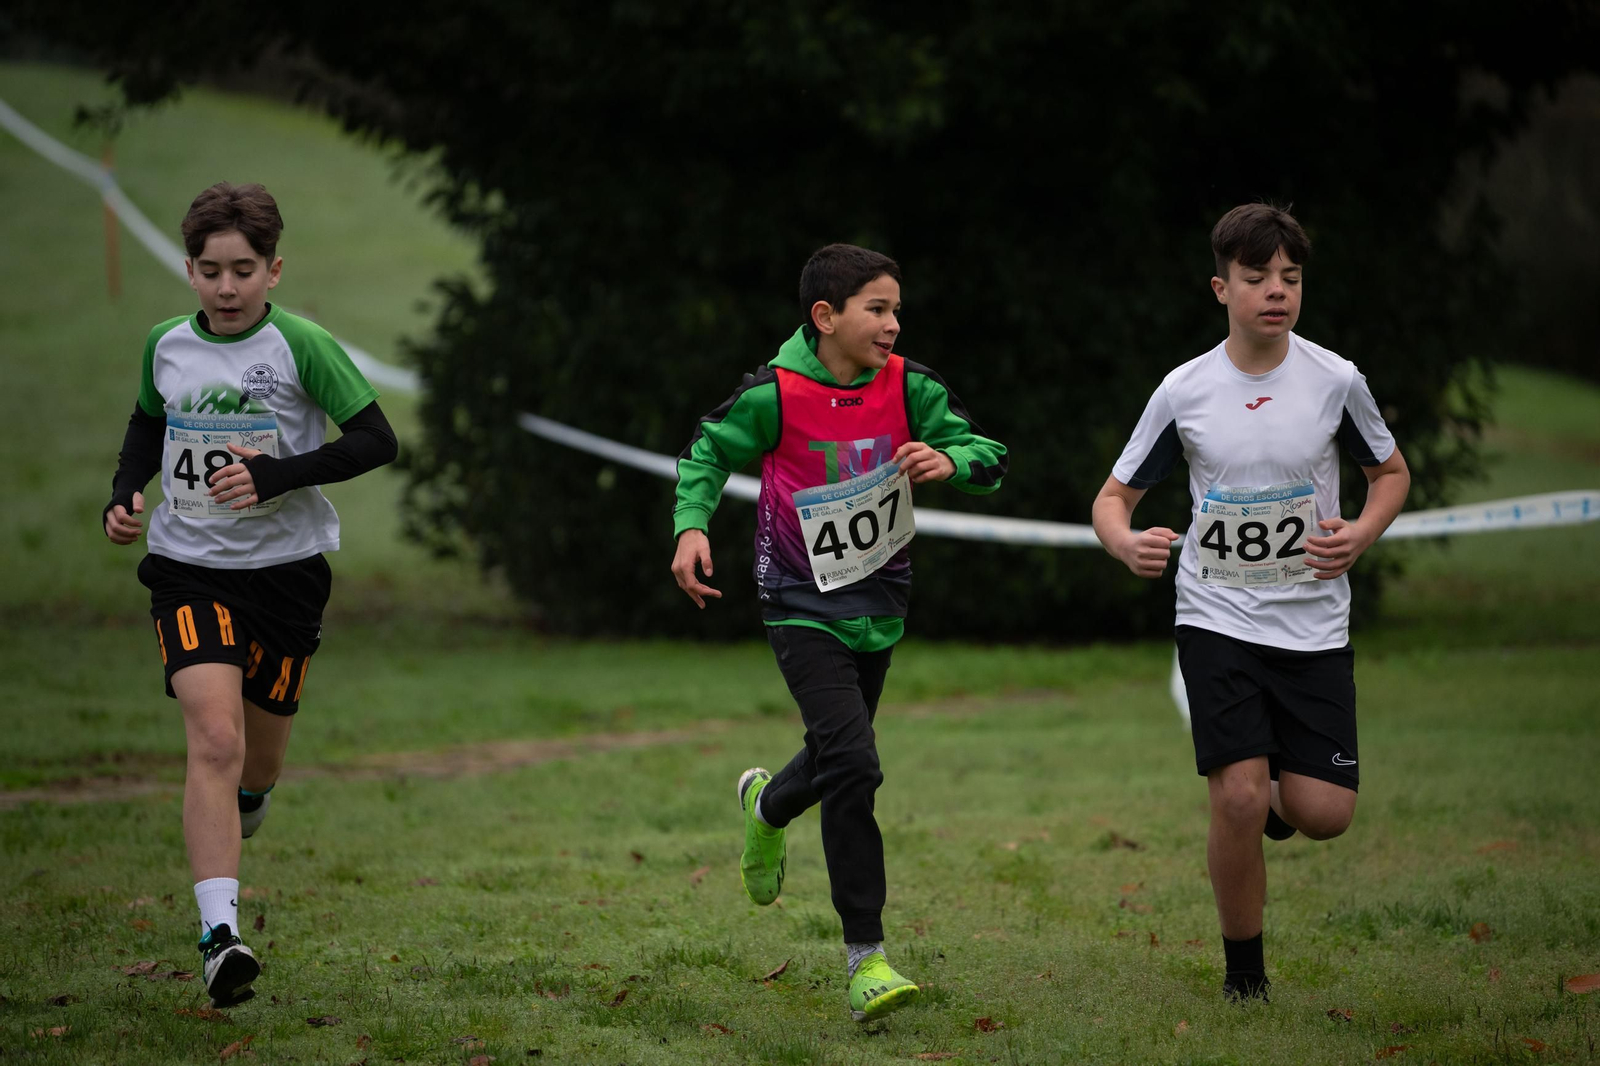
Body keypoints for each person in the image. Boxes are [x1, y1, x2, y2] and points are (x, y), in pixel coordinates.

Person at [670, 243, 1008, 1022]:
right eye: (878, 309)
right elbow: (704, 452)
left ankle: (767, 807)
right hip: (797, 600)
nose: (894, 324)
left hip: (881, 604)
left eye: (897, 309)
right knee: (855, 765)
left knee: (834, 753)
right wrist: (691, 528)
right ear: (826, 316)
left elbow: (988, 453)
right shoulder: (775, 392)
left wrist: (951, 462)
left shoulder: (911, 387)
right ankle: (868, 962)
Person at [1092, 203, 1410, 1001]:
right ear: (1221, 287)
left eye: (1291, 278)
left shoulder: (1337, 380)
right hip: (1216, 616)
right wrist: (1127, 542)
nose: (1277, 291)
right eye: (1259, 277)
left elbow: (1392, 475)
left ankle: (1273, 794)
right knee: (1235, 795)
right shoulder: (1185, 389)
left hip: (1313, 622)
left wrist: (1361, 534)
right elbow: (1112, 496)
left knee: (1324, 812)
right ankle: (1246, 977)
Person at [102, 182, 398, 1008]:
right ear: (188, 270)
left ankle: (252, 801)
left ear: (274, 270)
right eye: (208, 271)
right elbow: (145, 424)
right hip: (188, 567)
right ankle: (220, 937)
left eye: (242, 271)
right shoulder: (165, 343)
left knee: (256, 763)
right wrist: (126, 493)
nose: (225, 288)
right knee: (214, 735)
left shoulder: (302, 345)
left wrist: (278, 475)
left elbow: (378, 439)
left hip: (287, 572)